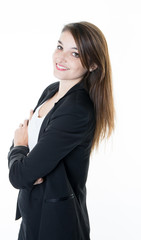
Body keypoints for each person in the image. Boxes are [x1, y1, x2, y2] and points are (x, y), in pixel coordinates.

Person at [8, 21, 115, 240]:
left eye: (74, 54)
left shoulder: (77, 110)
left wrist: (19, 148)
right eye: (60, 47)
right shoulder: (51, 91)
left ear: (93, 64)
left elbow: (20, 174)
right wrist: (26, 158)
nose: (61, 57)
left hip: (56, 222)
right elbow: (27, 145)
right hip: (33, 212)